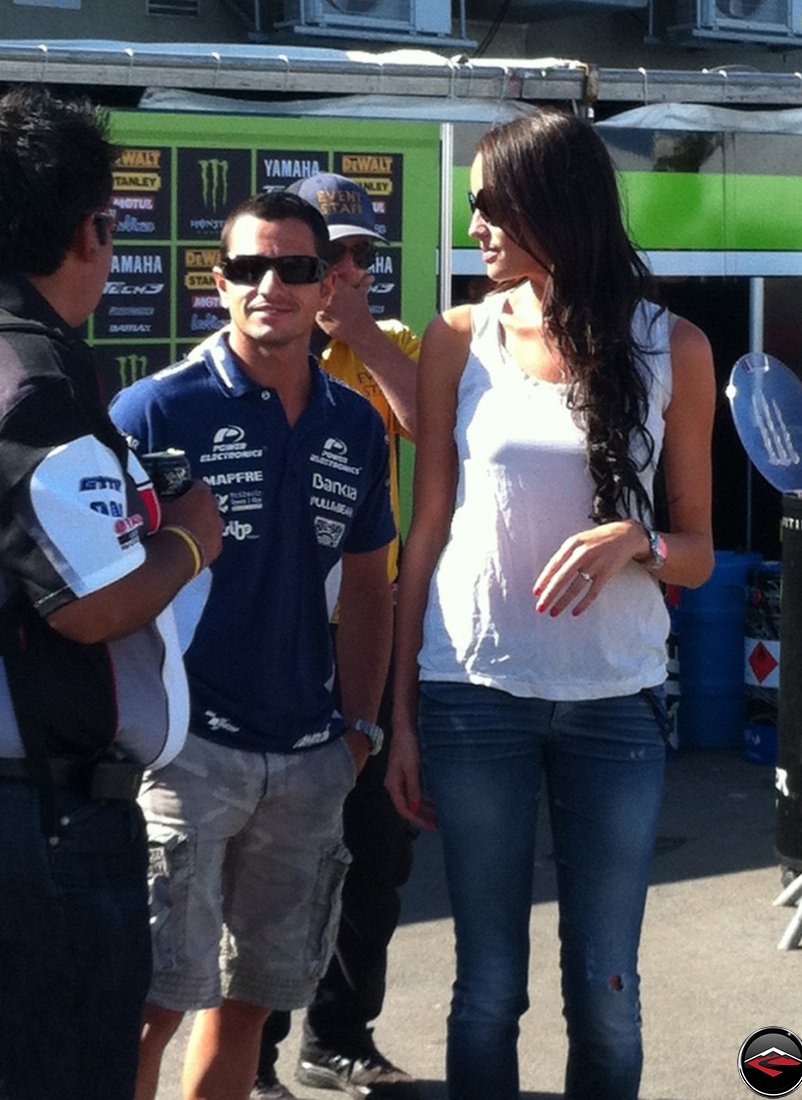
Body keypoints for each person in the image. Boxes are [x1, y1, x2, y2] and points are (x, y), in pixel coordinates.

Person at [385, 108, 715, 1100]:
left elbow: (698, 553)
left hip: (615, 702)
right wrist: (399, 714)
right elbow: (426, 529)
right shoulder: (457, 338)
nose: (474, 225)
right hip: (470, 693)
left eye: (489, 204)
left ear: (550, 204)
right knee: (487, 985)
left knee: (606, 991)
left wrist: (638, 541)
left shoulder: (674, 346)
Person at [109, 189, 395, 1100]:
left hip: (309, 755)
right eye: (247, 267)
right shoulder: (154, 410)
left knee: (250, 1006)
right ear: (218, 283)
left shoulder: (355, 422)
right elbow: (96, 585)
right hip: (185, 752)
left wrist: (356, 731)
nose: (270, 284)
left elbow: (368, 581)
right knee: (151, 1005)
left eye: (295, 268)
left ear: (327, 288)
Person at [0, 85, 222, 1100]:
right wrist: (190, 536)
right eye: (112, 225)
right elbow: (87, 604)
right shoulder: (33, 377)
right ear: (85, 229)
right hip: (42, 824)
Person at [251, 172, 422, 1100]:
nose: (352, 271)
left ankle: (339, 1038)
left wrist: (358, 336)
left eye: (363, 257)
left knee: (377, 846)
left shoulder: (388, 340)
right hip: (278, 631)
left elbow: (430, 430)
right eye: (335, 256)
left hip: (374, 622)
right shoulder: (255, 342)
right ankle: (255, 1054)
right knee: (277, 846)